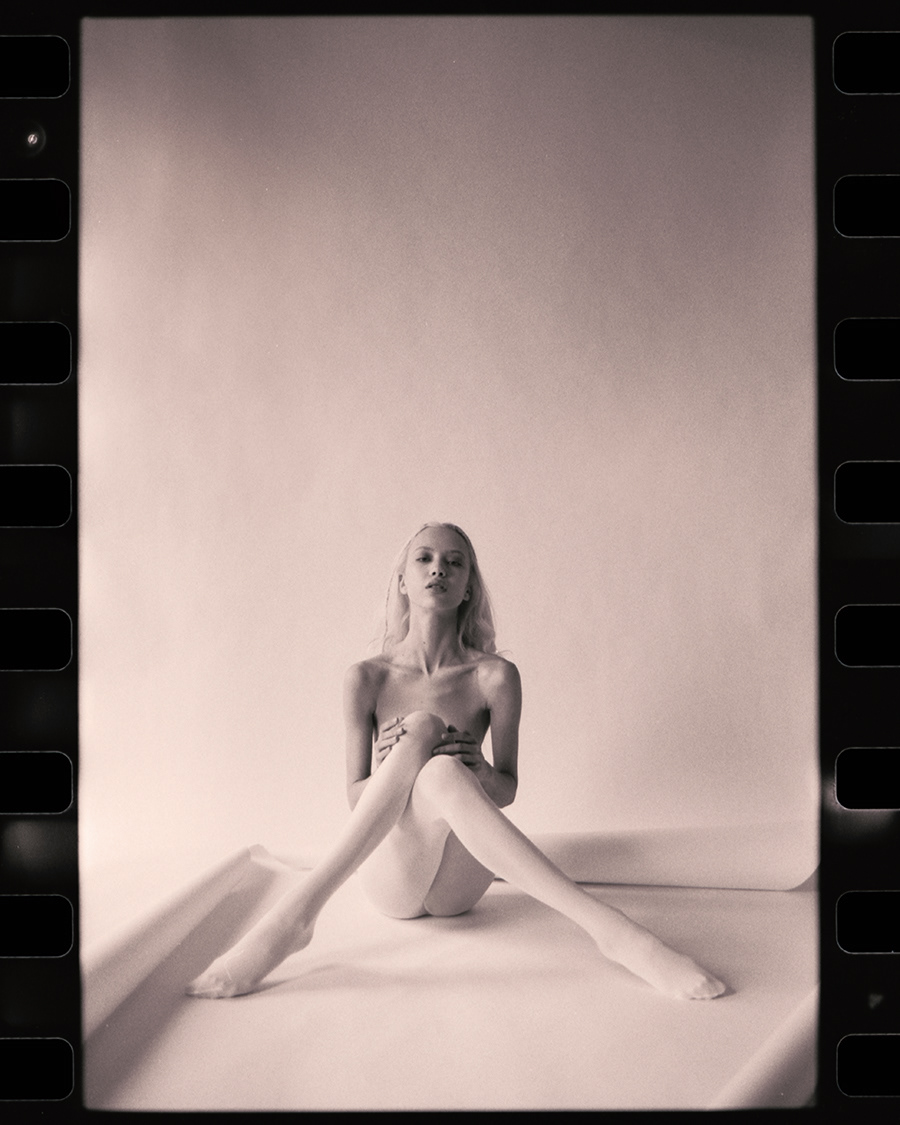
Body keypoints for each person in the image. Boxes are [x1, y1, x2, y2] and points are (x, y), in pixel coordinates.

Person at [187, 522, 726, 1001]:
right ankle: (611, 930)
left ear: (468, 587)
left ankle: (294, 917)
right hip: (393, 876)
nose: (438, 568)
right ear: (403, 580)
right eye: (424, 558)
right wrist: (394, 765)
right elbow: (356, 797)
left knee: (443, 767)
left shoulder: (494, 677)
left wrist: (482, 770)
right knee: (424, 730)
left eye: (454, 561)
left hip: (461, 884)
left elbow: (507, 787)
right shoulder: (367, 677)